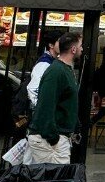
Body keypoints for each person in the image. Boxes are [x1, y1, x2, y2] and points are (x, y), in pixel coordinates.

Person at [26, 32, 82, 164]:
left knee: (57, 176)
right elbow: (45, 105)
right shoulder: (56, 71)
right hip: (50, 142)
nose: (82, 48)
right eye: (80, 45)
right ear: (73, 49)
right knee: (54, 176)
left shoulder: (65, 70)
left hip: (58, 138)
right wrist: (53, 138)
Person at [27, 30, 62, 109]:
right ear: (51, 45)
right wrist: (41, 108)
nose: (63, 45)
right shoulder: (44, 63)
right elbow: (32, 88)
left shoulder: (53, 61)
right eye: (60, 42)